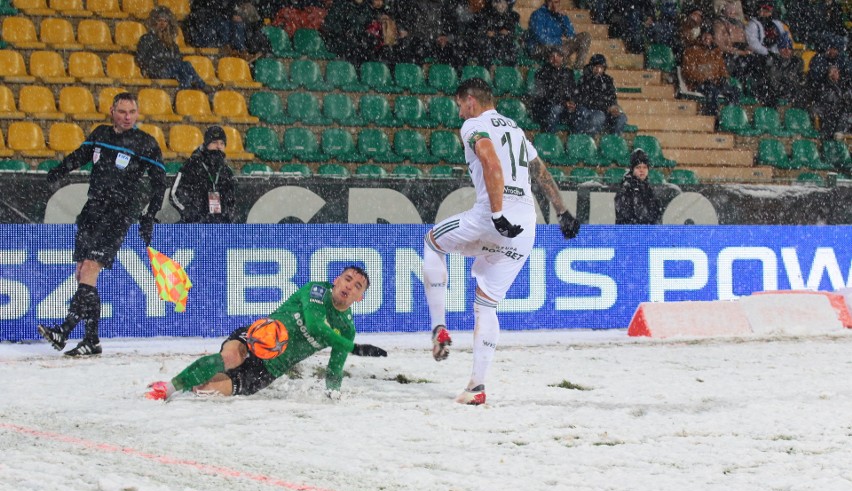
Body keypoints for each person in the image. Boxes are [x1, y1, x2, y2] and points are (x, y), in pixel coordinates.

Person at [422, 78, 581, 406]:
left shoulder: (473, 126)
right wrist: (563, 211)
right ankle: (476, 387)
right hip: (525, 225)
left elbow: (491, 162)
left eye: (459, 106)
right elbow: (540, 171)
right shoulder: (517, 130)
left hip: (492, 216)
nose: (459, 113)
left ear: (469, 101)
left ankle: (439, 326)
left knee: (433, 242)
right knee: (486, 306)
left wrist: (495, 213)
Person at [37, 92, 168, 356]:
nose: (127, 117)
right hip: (93, 210)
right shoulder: (101, 134)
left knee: (90, 270)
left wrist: (149, 216)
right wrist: (59, 171)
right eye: (122, 112)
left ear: (138, 113)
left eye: (132, 112)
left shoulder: (146, 143)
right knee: (83, 274)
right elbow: (80, 155)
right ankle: (92, 340)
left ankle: (65, 330)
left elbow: (159, 183)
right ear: (112, 111)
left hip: (118, 214)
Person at [145, 266, 387, 401]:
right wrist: (352, 347)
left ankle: (190, 382)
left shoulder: (346, 328)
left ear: (360, 298)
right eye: (347, 279)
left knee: (205, 389)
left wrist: (333, 394)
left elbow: (335, 368)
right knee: (230, 358)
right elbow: (315, 327)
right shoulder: (315, 290)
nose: (349, 286)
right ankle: (166, 388)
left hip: (268, 370)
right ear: (336, 280)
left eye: (357, 286)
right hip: (257, 338)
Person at [136, 6, 214, 93]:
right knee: (186, 65)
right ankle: (202, 86)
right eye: (159, 20)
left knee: (185, 76)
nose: (162, 23)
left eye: (165, 21)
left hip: (170, 71)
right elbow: (140, 58)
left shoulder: (172, 44)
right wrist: (150, 67)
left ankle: (182, 97)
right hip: (155, 70)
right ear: (154, 22)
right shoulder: (146, 39)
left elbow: (178, 60)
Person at [169, 126, 236, 223]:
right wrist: (191, 215)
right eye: (214, 142)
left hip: (219, 228)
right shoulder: (191, 165)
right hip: (194, 227)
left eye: (222, 143)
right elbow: (174, 194)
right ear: (206, 144)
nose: (219, 146)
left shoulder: (226, 171)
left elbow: (231, 199)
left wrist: (226, 216)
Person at [681, 28, 741, 116]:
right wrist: (704, 79)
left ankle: (729, 116)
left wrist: (724, 77)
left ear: (712, 38)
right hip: (699, 84)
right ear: (700, 36)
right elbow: (688, 72)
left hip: (716, 83)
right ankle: (713, 118)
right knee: (713, 91)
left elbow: (723, 69)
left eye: (709, 36)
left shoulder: (716, 52)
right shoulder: (691, 51)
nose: (706, 39)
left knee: (735, 91)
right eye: (704, 36)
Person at [525, 0, 591, 69]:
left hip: (559, 48)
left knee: (585, 37)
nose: (553, 5)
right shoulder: (537, 14)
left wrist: (564, 18)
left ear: (559, 3)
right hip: (539, 48)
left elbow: (571, 35)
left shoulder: (561, 16)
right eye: (551, 2)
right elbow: (539, 37)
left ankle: (578, 69)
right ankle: (562, 63)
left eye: (556, 2)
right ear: (546, 2)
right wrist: (559, 41)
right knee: (556, 48)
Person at [574, 53, 628, 135]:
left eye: (601, 67)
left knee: (622, 118)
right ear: (591, 67)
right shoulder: (584, 79)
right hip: (591, 112)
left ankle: (613, 141)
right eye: (596, 67)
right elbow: (586, 101)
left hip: (607, 113)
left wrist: (614, 108)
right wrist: (606, 107)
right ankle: (590, 142)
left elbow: (612, 97)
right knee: (599, 116)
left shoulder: (608, 80)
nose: (598, 70)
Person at [529, 47, 579, 132]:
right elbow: (543, 96)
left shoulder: (568, 72)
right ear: (548, 58)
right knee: (555, 110)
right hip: (545, 107)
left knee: (581, 112)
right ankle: (550, 137)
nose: (555, 59)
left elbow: (573, 91)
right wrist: (564, 103)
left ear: (562, 57)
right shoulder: (542, 73)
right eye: (552, 56)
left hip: (563, 107)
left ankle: (577, 141)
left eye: (558, 56)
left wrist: (572, 102)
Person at [614, 148, 662, 224]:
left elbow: (657, 214)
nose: (642, 170)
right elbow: (625, 216)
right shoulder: (625, 188)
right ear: (632, 170)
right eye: (638, 167)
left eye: (645, 167)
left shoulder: (649, 189)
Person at [810, 64, 851, 140]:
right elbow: (827, 102)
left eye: (837, 71)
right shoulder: (824, 86)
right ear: (829, 74)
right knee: (843, 115)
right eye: (834, 71)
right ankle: (839, 132)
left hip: (840, 113)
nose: (836, 73)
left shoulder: (842, 85)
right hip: (830, 115)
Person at [474, 0, 520, 65]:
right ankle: (490, 67)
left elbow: (512, 32)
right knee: (486, 46)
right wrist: (492, 33)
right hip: (490, 44)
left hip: (504, 44)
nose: (503, 5)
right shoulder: (486, 14)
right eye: (500, 2)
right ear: (494, 3)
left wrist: (507, 33)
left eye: (505, 3)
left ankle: (508, 70)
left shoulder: (512, 16)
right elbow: (483, 31)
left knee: (512, 47)